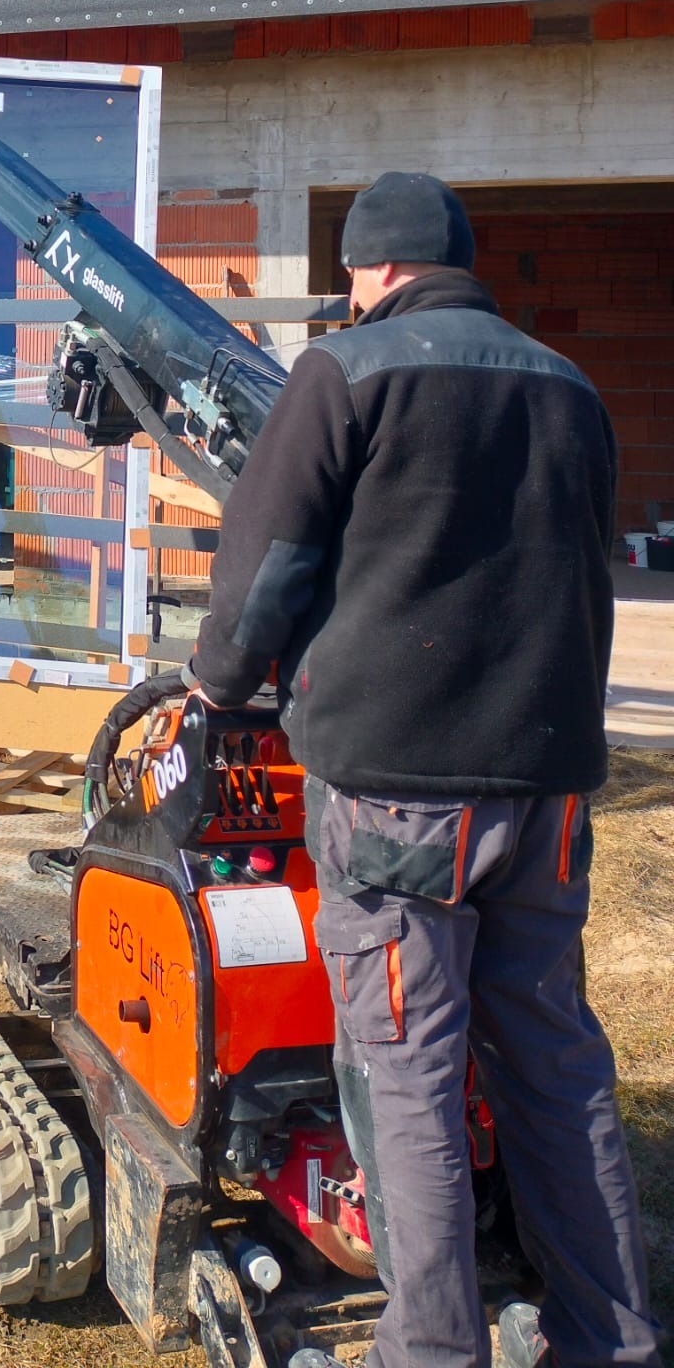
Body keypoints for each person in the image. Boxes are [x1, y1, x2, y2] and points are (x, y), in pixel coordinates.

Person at [182, 172, 659, 1368]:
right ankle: (615, 1333)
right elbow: (577, 570)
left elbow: (269, 556)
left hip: (400, 792)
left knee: (407, 1069)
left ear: (366, 270)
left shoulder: (343, 372)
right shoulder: (572, 385)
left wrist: (216, 684)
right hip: (545, 793)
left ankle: (432, 1350)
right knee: (553, 1056)